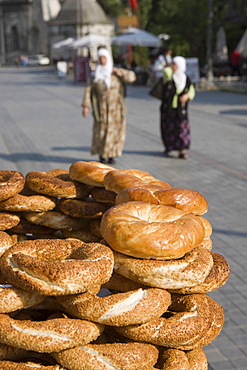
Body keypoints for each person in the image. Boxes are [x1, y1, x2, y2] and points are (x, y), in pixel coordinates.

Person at [82, 48, 136, 164]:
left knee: (115, 132)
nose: (102, 60)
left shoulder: (115, 73)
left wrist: (120, 73)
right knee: (101, 132)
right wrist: (86, 106)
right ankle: (102, 155)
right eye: (100, 58)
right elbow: (88, 90)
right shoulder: (95, 75)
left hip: (116, 110)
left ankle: (112, 155)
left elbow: (132, 77)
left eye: (104, 58)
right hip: (101, 110)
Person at [160, 56, 195, 159]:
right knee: (168, 129)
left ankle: (181, 150)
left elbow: (192, 91)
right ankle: (169, 147)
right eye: (172, 64)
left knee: (182, 129)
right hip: (168, 109)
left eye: (175, 64)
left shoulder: (186, 78)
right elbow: (166, 71)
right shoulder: (169, 76)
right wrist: (169, 65)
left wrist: (187, 96)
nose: (172, 66)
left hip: (181, 110)